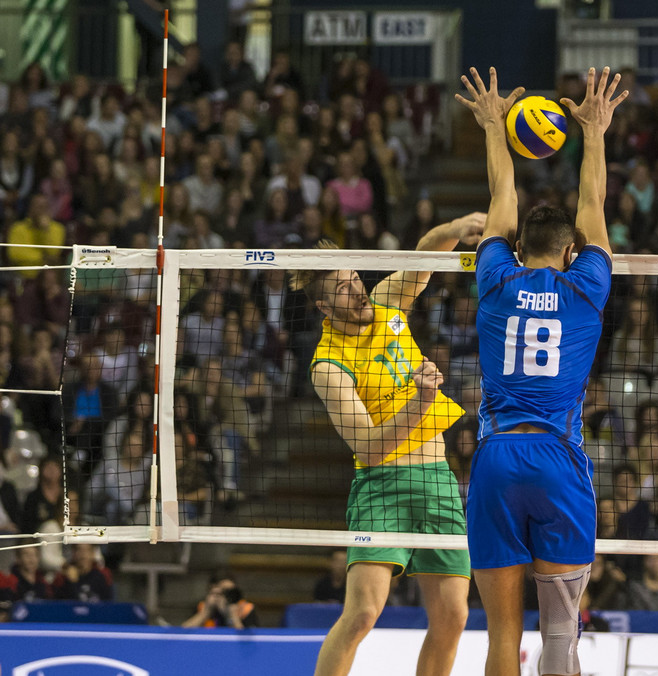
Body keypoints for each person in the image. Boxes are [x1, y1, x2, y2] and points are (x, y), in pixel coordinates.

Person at [455, 65, 625, 676]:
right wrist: (595, 130)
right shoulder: (586, 286)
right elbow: (594, 204)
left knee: (503, 638)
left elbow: (502, 200)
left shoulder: (496, 277)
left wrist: (495, 126)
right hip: (557, 461)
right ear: (570, 253)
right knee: (559, 639)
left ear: (519, 247)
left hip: (497, 459)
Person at [293, 212, 484, 676]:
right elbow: (370, 446)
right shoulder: (328, 365)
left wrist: (456, 228)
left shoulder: (385, 306)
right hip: (382, 487)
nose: (356, 290)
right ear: (322, 306)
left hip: (438, 480)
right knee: (361, 615)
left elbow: (422, 260)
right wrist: (420, 400)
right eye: (341, 287)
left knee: (454, 617)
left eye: (354, 277)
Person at [183, 574, 259, 628]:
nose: (226, 597)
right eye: (222, 592)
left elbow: (249, 642)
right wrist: (205, 613)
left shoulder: (245, 609)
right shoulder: (202, 607)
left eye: (230, 592)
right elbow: (181, 633)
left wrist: (231, 616)